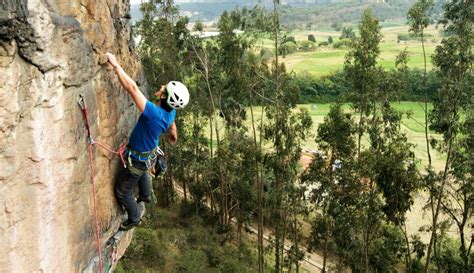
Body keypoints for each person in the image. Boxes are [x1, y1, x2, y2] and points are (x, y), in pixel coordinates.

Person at [105, 52, 189, 230]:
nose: (161, 86)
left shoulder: (153, 113)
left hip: (138, 158)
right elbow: (172, 126)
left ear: (164, 97)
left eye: (163, 88)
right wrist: (173, 135)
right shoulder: (169, 111)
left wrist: (115, 65)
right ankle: (145, 195)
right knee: (143, 172)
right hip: (149, 153)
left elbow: (132, 89)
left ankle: (134, 217)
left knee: (123, 191)